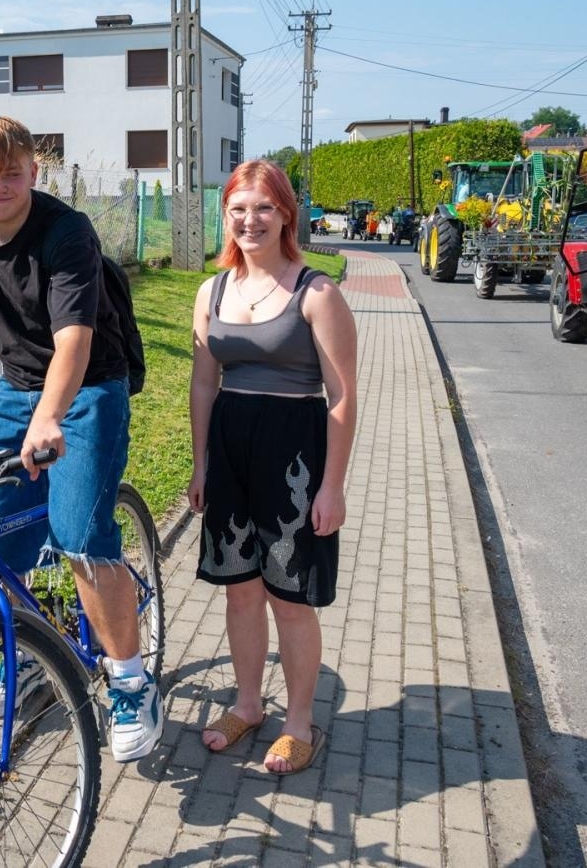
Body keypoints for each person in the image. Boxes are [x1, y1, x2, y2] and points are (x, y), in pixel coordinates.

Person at [0, 115, 161, 763]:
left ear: (34, 174)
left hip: (89, 383)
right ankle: (32, 652)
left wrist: (50, 416)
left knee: (79, 537)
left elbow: (76, 340)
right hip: (14, 383)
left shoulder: (67, 234)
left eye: (13, 173)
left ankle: (131, 681)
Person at [188, 159, 359, 774]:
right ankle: (247, 705)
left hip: (294, 453)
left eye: (263, 207)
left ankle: (299, 722)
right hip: (231, 448)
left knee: (290, 597)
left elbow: (341, 397)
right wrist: (201, 463)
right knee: (239, 593)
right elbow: (204, 385)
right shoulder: (211, 292)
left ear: (286, 212)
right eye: (238, 208)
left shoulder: (317, 292)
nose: (249, 220)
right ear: (225, 215)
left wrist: (332, 485)